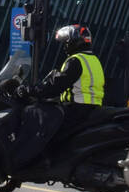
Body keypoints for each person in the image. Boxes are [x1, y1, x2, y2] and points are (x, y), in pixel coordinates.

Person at [14, 23, 106, 164]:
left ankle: (39, 161)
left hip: (76, 109)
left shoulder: (76, 61)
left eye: (66, 43)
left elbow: (56, 86)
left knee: (37, 115)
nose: (65, 46)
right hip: (91, 108)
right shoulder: (94, 61)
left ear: (74, 42)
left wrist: (31, 90)